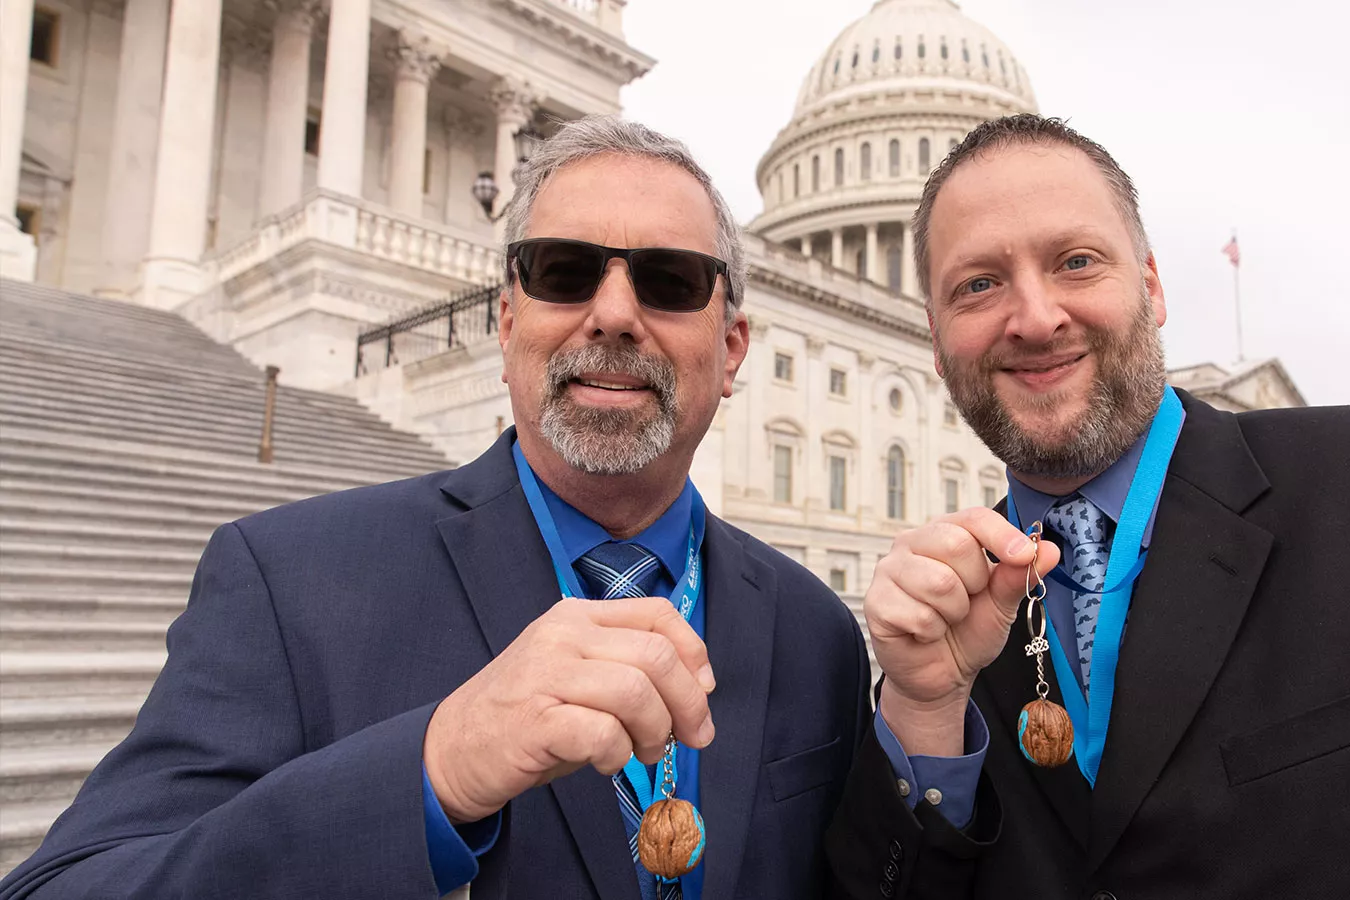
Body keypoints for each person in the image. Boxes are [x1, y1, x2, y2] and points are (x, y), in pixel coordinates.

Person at [826, 114, 1350, 900]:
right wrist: (927, 713)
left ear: (1155, 289)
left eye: (1076, 261)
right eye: (978, 285)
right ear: (934, 346)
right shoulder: (957, 628)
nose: (1035, 315)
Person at [0, 117, 869, 900]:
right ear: (503, 323)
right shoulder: (291, 583)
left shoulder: (816, 630)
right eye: (562, 273)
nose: (612, 315)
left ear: (731, 348)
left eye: (670, 281)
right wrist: (433, 771)